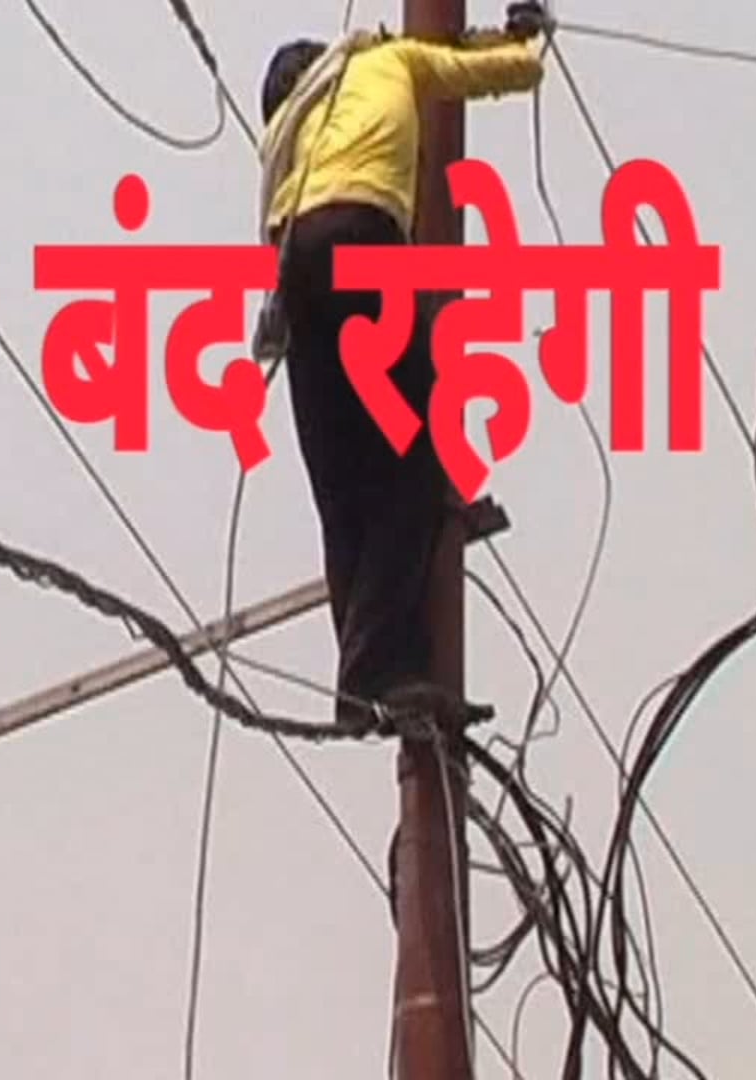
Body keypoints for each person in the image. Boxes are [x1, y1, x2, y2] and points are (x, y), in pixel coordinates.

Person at [256, 5, 550, 734]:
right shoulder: (387, 61)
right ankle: (389, 674)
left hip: (298, 274)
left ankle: (366, 682)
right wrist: (530, 33)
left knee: (342, 490)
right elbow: (506, 69)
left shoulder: (286, 136)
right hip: (364, 245)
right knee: (416, 461)